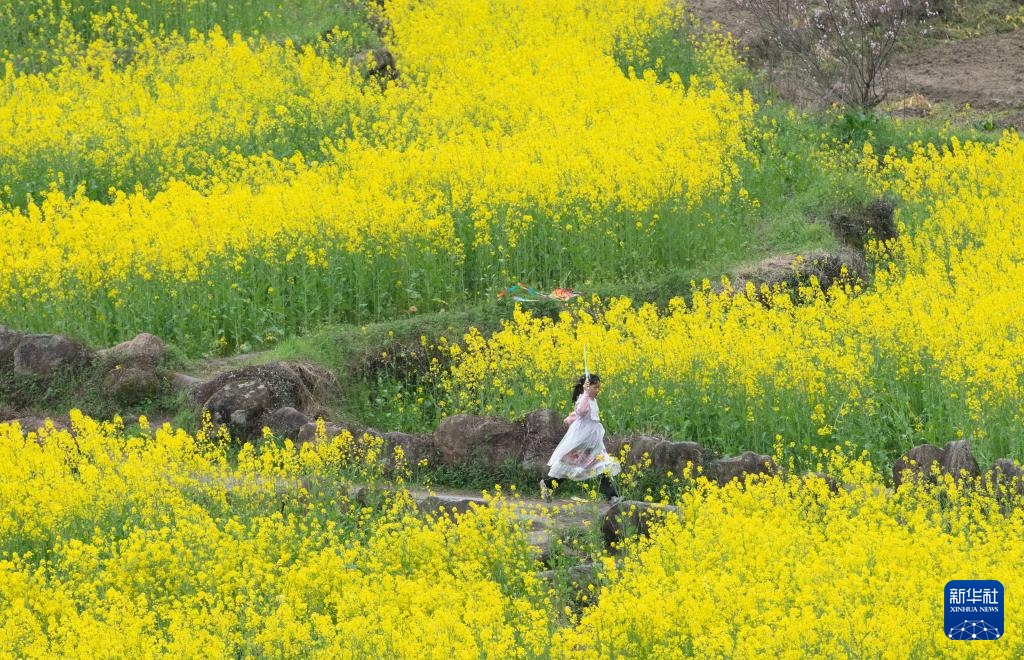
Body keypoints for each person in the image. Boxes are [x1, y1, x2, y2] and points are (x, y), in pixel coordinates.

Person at [540, 373, 621, 503]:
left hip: (593, 442)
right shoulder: (584, 399)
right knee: (569, 468)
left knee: (602, 465)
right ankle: (547, 484)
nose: (597, 390)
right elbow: (582, 411)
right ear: (587, 387)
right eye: (595, 387)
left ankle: (612, 496)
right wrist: (585, 393)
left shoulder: (592, 400)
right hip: (581, 442)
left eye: (598, 387)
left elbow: (580, 416)